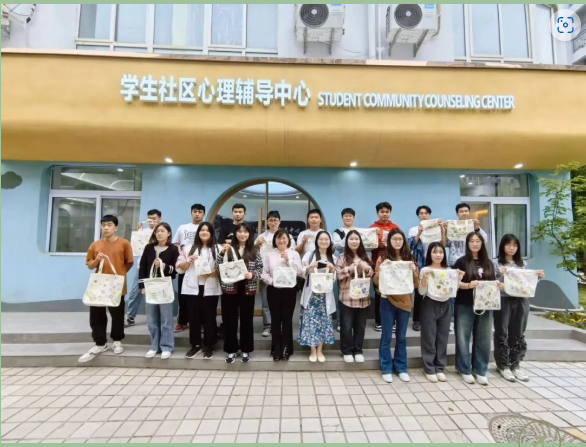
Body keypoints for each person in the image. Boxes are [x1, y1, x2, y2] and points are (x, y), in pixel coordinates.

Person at [79, 215, 134, 363]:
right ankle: (100, 343)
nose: (106, 228)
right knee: (97, 315)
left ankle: (117, 340)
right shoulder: (95, 245)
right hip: (99, 286)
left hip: (116, 286)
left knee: (117, 315)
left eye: (109, 225)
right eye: (103, 225)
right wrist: (97, 259)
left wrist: (119, 275)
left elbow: (129, 263)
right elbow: (89, 265)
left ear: (116, 228)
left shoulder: (124, 243)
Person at [494, 234, 545, 382]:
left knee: (518, 333)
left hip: (521, 301)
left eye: (515, 245)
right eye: (508, 245)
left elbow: (526, 283)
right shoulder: (496, 263)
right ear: (502, 246)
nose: (511, 248)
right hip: (503, 300)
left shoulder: (522, 264)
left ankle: (515, 364)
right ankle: (503, 365)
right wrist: (498, 277)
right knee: (502, 332)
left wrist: (537, 277)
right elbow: (491, 281)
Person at [374, 228, 419, 383]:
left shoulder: (409, 258)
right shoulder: (383, 258)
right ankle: (386, 367)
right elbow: (376, 282)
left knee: (401, 337)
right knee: (386, 336)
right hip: (387, 301)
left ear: (404, 241)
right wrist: (381, 269)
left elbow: (416, 284)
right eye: (394, 239)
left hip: (405, 302)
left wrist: (414, 271)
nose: (397, 242)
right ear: (389, 241)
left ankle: (401, 367)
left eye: (400, 239)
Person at [454, 232, 498, 386]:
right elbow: (454, 283)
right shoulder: (461, 262)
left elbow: (493, 282)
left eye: (477, 241)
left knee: (483, 338)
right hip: (465, 303)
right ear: (467, 243)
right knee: (463, 337)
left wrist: (498, 285)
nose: (474, 244)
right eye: (471, 241)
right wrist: (468, 285)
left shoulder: (488, 263)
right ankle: (464, 369)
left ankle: (480, 370)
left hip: (486, 305)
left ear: (482, 243)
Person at [216, 223, 263, 364]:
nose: (243, 234)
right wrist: (222, 253)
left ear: (249, 234)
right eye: (240, 232)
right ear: (235, 234)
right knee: (230, 321)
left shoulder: (254, 250)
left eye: (245, 232)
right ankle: (231, 350)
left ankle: (245, 349)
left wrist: (253, 275)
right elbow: (217, 267)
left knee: (247, 320)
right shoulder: (229, 249)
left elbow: (260, 269)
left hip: (248, 290)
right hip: (230, 290)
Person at [418, 242, 464, 383]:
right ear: (430, 254)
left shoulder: (449, 270)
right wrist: (424, 279)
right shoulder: (425, 269)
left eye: (441, 252)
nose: (438, 255)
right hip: (429, 303)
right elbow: (421, 291)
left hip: (446, 304)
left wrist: (459, 278)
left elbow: (453, 289)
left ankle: (440, 367)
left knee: (443, 337)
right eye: (434, 252)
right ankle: (429, 367)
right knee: (429, 337)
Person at [176, 222, 222, 360]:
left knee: (210, 317)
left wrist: (211, 273)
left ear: (211, 233)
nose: (204, 232)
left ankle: (209, 345)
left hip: (210, 287)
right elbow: (179, 267)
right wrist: (188, 261)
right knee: (193, 317)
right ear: (198, 233)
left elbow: (223, 268)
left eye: (207, 230)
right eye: (202, 230)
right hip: (192, 288)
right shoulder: (188, 248)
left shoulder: (218, 248)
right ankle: (195, 345)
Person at [138, 223, 180, 359]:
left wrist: (164, 266)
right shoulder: (149, 248)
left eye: (162, 231)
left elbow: (176, 269)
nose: (159, 233)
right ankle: (154, 346)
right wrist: (142, 286)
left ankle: (167, 346)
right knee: (151, 319)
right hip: (150, 286)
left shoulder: (173, 249)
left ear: (169, 233)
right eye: (157, 231)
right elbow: (142, 267)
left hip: (165, 286)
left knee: (166, 319)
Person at [261, 229, 303, 361]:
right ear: (275, 240)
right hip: (274, 290)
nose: (281, 240)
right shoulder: (270, 255)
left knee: (287, 319)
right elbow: (264, 273)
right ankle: (276, 349)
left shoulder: (294, 254)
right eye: (278, 238)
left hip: (289, 291)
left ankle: (287, 348)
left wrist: (288, 260)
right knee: (275, 320)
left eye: (284, 238)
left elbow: (300, 272)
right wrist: (272, 281)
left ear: (288, 240)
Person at [445, 203, 488, 330]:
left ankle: (473, 316)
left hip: (472, 263)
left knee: (471, 288)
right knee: (454, 290)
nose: (464, 213)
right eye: (461, 211)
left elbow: (484, 240)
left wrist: (477, 228)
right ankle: (452, 319)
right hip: (455, 262)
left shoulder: (474, 227)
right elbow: (445, 243)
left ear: (469, 212)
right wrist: (445, 230)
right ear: (457, 214)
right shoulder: (453, 226)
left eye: (466, 211)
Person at [255, 210, 297, 338]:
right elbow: (253, 251)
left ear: (280, 221)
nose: (273, 222)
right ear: (267, 222)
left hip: (285, 275)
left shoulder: (287, 236)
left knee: (283, 303)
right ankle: (268, 326)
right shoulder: (261, 237)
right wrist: (257, 244)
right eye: (270, 220)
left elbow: (292, 251)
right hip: (268, 274)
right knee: (266, 302)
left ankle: (281, 325)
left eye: (275, 220)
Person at [336, 230, 374, 363]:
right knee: (346, 326)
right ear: (347, 241)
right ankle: (347, 350)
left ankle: (358, 350)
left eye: (356, 239)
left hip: (363, 297)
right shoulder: (342, 256)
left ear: (360, 241)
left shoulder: (365, 255)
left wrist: (367, 268)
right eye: (351, 239)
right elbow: (337, 275)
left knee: (360, 326)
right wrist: (348, 269)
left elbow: (372, 273)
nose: (354, 241)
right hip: (347, 297)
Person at [299, 230, 337, 363]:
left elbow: (334, 279)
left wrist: (332, 270)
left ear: (330, 242)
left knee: (323, 322)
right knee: (310, 321)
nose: (323, 241)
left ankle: (320, 349)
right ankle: (312, 350)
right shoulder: (309, 255)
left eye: (326, 239)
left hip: (325, 296)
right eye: (321, 239)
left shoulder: (333, 257)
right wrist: (309, 267)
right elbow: (301, 272)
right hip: (311, 295)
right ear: (316, 241)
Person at [408, 205, 445, 332]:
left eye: (426, 213)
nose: (424, 215)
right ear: (418, 216)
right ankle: (417, 320)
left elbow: (443, 245)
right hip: (420, 262)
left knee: (435, 289)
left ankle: (434, 318)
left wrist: (441, 229)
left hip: (434, 262)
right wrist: (419, 233)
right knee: (419, 291)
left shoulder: (436, 228)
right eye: (421, 213)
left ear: (430, 215)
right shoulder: (413, 229)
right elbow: (410, 245)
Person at [125, 209, 162, 328]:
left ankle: (154, 319)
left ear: (160, 219)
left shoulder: (162, 231)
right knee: (135, 292)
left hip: (157, 267)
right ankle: (130, 316)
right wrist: (139, 232)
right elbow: (136, 249)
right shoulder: (143, 232)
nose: (151, 221)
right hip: (141, 267)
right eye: (149, 218)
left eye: (154, 218)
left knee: (156, 293)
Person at [172, 204, 206, 333]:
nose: (197, 214)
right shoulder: (183, 227)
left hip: (202, 265)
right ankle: (182, 321)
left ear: (204, 214)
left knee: (201, 295)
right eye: (195, 211)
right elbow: (175, 243)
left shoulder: (206, 227)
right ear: (191, 213)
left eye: (200, 212)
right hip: (186, 264)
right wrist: (181, 249)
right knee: (183, 295)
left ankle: (201, 322)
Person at [370, 202, 400, 332]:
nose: (384, 214)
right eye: (382, 212)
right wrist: (379, 244)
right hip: (377, 264)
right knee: (379, 293)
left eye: (387, 212)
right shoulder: (372, 228)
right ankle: (379, 321)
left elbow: (400, 244)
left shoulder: (395, 227)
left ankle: (392, 321)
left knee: (392, 292)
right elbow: (367, 246)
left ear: (390, 213)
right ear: (377, 213)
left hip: (393, 265)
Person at [332, 208, 356, 332]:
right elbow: (337, 246)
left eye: (350, 216)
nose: (348, 218)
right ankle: (341, 322)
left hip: (357, 263)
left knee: (356, 293)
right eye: (346, 216)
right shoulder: (338, 232)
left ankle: (354, 322)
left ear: (354, 218)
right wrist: (349, 237)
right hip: (343, 263)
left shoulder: (358, 231)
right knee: (342, 294)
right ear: (342, 218)